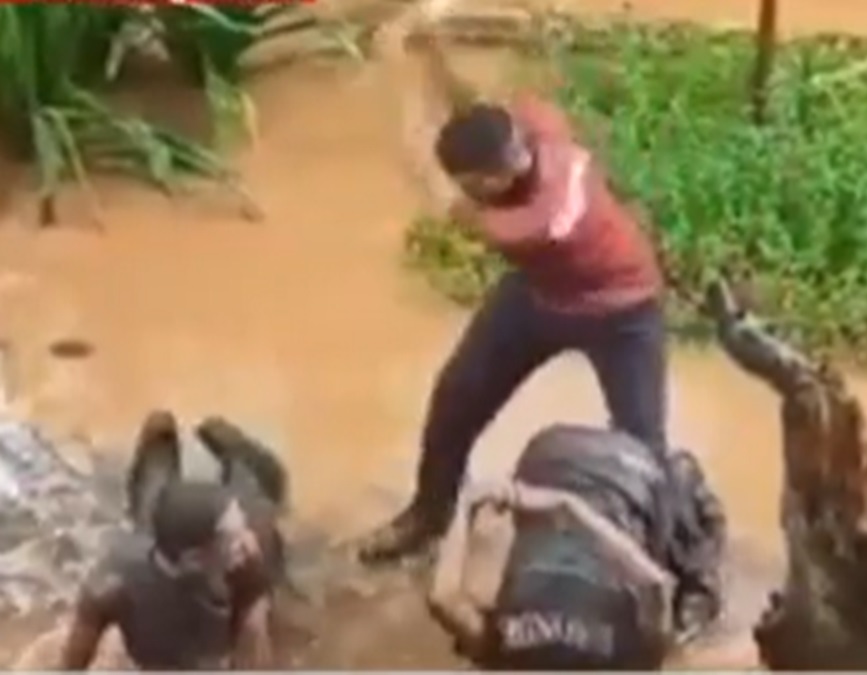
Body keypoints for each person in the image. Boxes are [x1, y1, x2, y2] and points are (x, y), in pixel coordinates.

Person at [357, 26, 675, 565]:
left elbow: (426, 181)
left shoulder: (532, 221)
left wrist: (398, 84)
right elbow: (474, 108)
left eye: (471, 185)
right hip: (542, 290)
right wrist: (432, 53)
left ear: (487, 184)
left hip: (621, 309)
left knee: (642, 448)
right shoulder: (534, 124)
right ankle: (428, 517)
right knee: (457, 397)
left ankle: (664, 556)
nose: (467, 191)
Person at [425, 424, 726, 669]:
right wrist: (567, 506)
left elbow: (658, 586)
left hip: (617, 479)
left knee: (690, 616)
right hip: (556, 465)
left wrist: (570, 509)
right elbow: (442, 599)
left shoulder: (623, 656)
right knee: (694, 613)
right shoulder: (505, 650)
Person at [54, 411, 289, 671]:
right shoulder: (114, 586)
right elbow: (70, 665)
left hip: (187, 541)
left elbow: (254, 651)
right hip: (156, 545)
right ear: (194, 560)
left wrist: (254, 613)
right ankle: (161, 435)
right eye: (232, 538)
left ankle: (223, 440)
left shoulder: (247, 561)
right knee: (153, 495)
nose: (247, 542)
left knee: (262, 483)